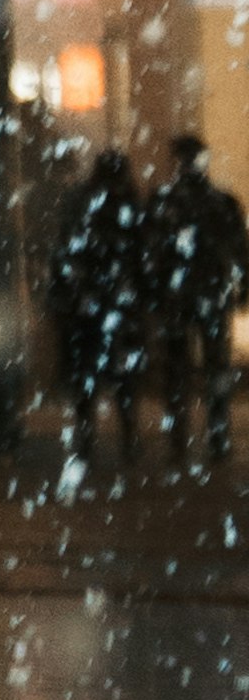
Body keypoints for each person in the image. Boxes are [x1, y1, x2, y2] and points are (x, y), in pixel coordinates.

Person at [52, 151, 154, 486]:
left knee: (88, 375)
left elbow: (65, 248)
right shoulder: (130, 205)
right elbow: (144, 255)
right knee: (120, 376)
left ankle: (88, 439)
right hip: (116, 303)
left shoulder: (85, 202)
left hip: (91, 302)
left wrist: (65, 294)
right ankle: (124, 438)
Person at [159, 134, 248, 475]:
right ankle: (216, 434)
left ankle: (182, 438)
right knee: (214, 367)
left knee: (179, 369)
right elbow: (239, 247)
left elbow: (154, 250)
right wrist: (241, 285)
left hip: (180, 295)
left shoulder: (168, 201)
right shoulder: (220, 202)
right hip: (208, 292)